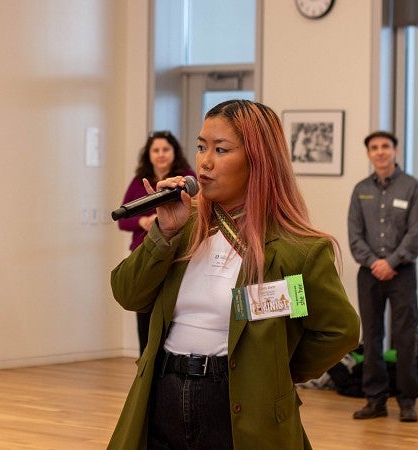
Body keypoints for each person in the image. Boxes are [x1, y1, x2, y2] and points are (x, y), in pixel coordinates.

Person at [109, 100, 360, 449]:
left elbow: (338, 331)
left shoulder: (296, 250)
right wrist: (161, 234)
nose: (204, 161)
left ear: (258, 160)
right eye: (200, 147)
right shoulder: (182, 228)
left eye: (220, 149)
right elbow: (127, 294)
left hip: (236, 405)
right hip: (162, 396)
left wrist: (272, 373)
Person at [348, 130, 418, 423]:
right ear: (369, 153)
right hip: (369, 274)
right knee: (371, 336)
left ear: (395, 151)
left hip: (402, 272)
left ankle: (407, 401)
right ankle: (375, 400)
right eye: (374, 148)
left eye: (385, 147)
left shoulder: (412, 187)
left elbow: (417, 233)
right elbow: (354, 235)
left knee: (405, 337)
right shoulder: (360, 190)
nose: (380, 152)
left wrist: (392, 262)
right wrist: (374, 263)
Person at [117, 130, 195, 356]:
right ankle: (144, 362)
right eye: (156, 150)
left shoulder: (185, 178)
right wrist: (144, 221)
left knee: (170, 315)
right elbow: (123, 221)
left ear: (174, 152)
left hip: (176, 255)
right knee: (144, 314)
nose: (161, 154)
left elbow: (197, 211)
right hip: (144, 255)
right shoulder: (138, 181)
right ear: (149, 155)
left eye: (165, 149)